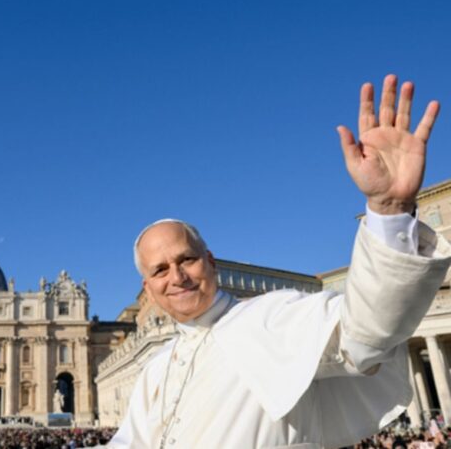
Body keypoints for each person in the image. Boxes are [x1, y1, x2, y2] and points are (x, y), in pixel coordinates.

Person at [108, 75, 451, 448]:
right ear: (148, 288)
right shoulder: (156, 370)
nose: (177, 277)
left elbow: (366, 335)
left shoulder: (276, 317)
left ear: (210, 261)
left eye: (186, 259)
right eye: (160, 269)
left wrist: (389, 209)